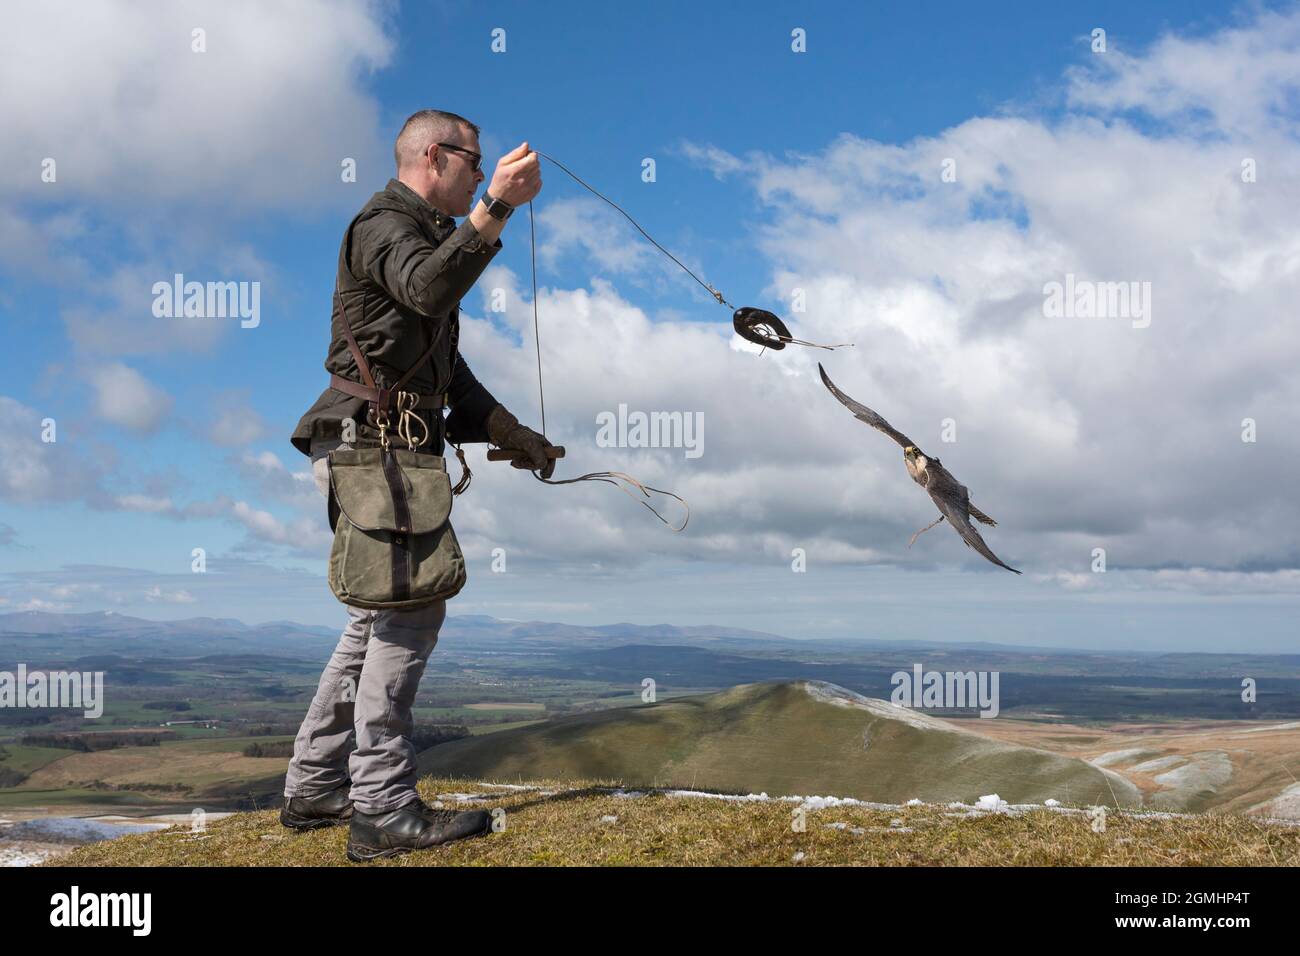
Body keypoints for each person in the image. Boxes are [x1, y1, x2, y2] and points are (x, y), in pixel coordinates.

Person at [282, 110, 553, 862]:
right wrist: (494, 210)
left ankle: (314, 788)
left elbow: (445, 375)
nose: (479, 174)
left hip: (383, 449)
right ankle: (383, 809)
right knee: (410, 611)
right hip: (372, 450)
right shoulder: (382, 224)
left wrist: (514, 436)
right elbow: (430, 294)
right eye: (474, 163)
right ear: (437, 156)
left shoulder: (424, 235)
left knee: (377, 619)